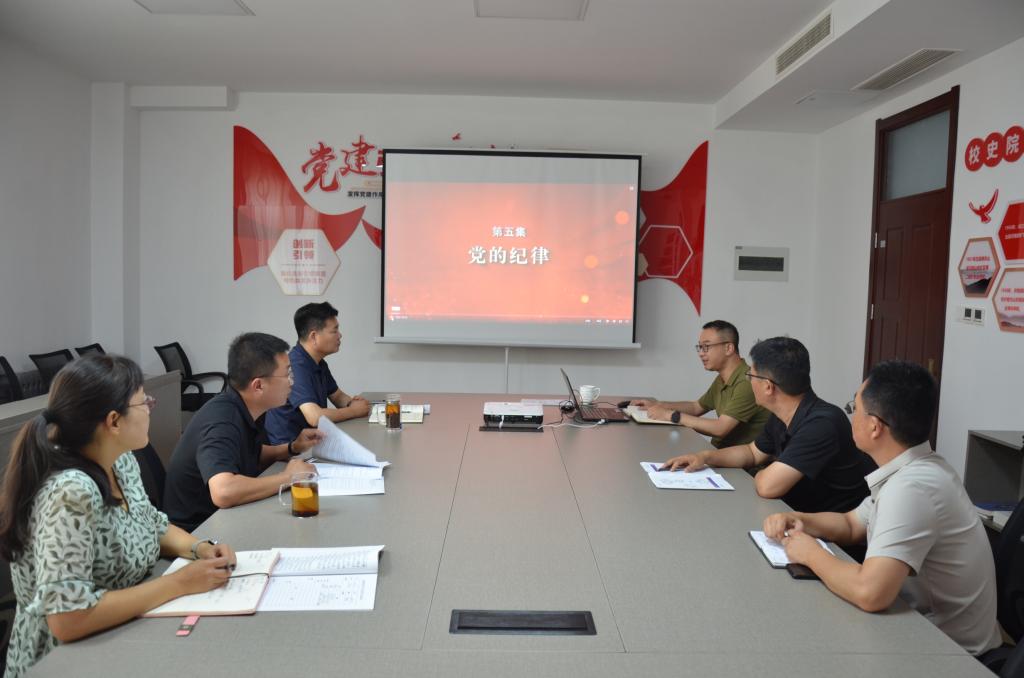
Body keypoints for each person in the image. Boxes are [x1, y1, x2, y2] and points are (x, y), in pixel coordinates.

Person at [0, 355, 237, 678]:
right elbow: (68, 619)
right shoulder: (70, 492)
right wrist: (180, 583)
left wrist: (200, 548)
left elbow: (151, 523)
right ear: (113, 421)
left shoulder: (120, 460)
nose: (150, 409)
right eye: (144, 402)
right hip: (64, 661)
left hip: (123, 633)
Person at [762, 361, 1001, 655]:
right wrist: (798, 519)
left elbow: (870, 592)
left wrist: (810, 554)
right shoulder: (916, 468)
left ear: (874, 426)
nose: (851, 415)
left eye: (855, 408)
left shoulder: (912, 489)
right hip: (920, 629)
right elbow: (851, 524)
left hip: (949, 654)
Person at [662, 336, 875, 513]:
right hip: (792, 514)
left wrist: (762, 472)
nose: (749, 381)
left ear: (767, 387)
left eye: (751, 375)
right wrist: (705, 457)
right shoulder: (782, 414)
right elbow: (752, 453)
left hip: (833, 537)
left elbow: (767, 486)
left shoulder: (822, 424)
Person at [163, 333, 322, 531]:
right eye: (287, 374)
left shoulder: (247, 406)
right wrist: (289, 477)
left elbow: (250, 453)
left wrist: (292, 447)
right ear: (258, 385)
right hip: (199, 530)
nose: (292, 382)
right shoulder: (223, 420)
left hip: (226, 517)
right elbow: (223, 491)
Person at [626, 320, 769, 448]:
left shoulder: (747, 381)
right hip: (719, 454)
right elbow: (696, 407)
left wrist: (671, 416)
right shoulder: (723, 378)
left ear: (728, 348)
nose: (701, 353)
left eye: (706, 346)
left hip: (740, 464)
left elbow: (720, 428)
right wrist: (659, 405)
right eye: (699, 347)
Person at [264, 302, 371, 446]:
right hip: (291, 449)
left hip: (312, 442)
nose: (340, 335)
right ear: (314, 336)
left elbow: (337, 396)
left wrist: (352, 403)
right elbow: (314, 417)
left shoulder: (318, 362)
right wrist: (354, 411)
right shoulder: (295, 365)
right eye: (334, 331)